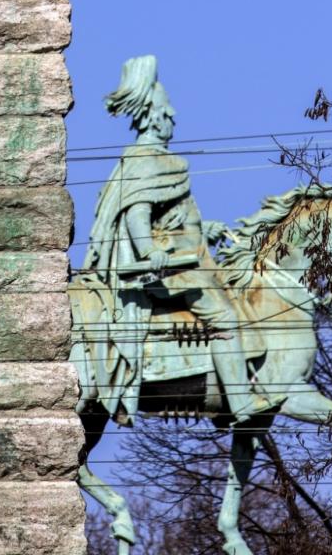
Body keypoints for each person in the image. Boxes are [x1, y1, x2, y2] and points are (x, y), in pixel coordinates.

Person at [84, 55, 277, 426]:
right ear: (154, 116)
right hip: (163, 270)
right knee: (224, 316)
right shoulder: (149, 160)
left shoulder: (155, 160)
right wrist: (150, 252)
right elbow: (138, 214)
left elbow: (171, 221)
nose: (173, 118)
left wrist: (208, 229)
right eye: (168, 111)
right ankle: (239, 403)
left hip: (183, 258)